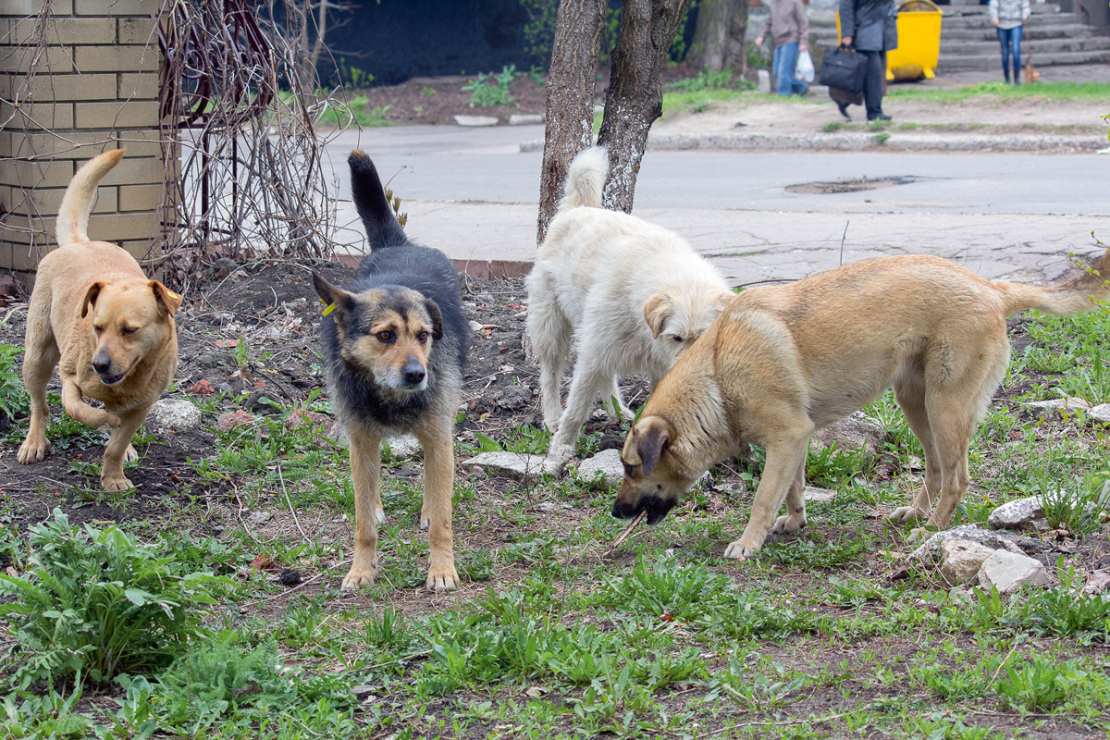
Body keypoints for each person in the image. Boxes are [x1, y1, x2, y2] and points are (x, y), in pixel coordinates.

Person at [839, 0, 898, 121]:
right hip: (865, 29)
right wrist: (847, 33)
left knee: (870, 74)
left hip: (883, 29)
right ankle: (874, 111)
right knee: (874, 73)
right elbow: (846, 6)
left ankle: (844, 100)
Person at [755, 0, 810, 97]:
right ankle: (801, 88)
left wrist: (803, 41)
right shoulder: (774, 3)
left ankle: (784, 97)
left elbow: (803, 22)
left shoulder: (794, 2)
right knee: (777, 72)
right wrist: (762, 36)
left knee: (784, 72)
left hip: (791, 39)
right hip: (778, 41)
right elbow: (769, 22)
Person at [990, 0, 1031, 84]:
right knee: (1005, 51)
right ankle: (1007, 77)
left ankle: (1017, 78)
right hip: (1001, 24)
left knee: (1016, 49)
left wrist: (1025, 14)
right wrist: (994, 16)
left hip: (1016, 23)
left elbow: (1025, 5)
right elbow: (993, 5)